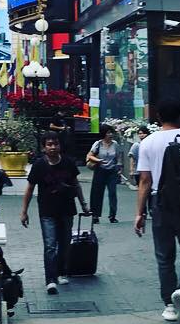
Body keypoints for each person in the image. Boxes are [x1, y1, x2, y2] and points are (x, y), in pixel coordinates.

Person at [133, 99, 180, 324]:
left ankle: (169, 304)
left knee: (165, 256)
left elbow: (145, 181)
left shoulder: (148, 142)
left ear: (158, 118)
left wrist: (139, 213)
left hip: (161, 203)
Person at [20, 132, 88, 295]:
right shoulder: (39, 165)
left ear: (60, 145)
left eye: (55, 144)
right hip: (47, 210)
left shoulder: (68, 163)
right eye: (49, 144)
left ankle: (61, 272)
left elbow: (76, 184)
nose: (53, 147)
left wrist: (84, 204)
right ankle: (50, 280)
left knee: (65, 243)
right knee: (50, 245)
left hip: (67, 209)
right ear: (44, 148)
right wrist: (24, 211)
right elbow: (30, 189)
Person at [86, 124, 124, 223]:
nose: (110, 135)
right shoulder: (98, 144)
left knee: (112, 193)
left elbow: (119, 157)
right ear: (103, 134)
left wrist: (120, 168)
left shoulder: (115, 144)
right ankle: (95, 215)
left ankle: (112, 215)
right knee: (97, 193)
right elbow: (89, 155)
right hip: (100, 170)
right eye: (108, 133)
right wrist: (98, 160)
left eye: (111, 132)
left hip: (112, 171)